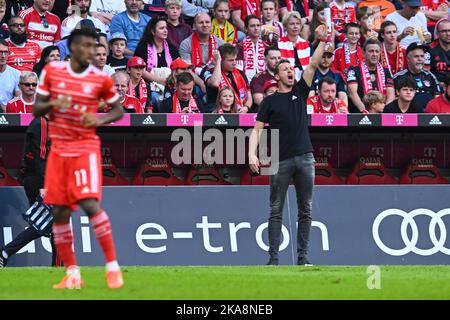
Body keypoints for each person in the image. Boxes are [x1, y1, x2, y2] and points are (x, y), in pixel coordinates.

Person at [33, 27, 124, 289]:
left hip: (85, 147)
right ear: (72, 47)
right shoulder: (52, 72)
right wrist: (53, 104)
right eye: (85, 45)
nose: (91, 51)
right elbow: (37, 109)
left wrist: (100, 118)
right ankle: (73, 274)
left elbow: (118, 110)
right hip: (59, 150)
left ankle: (112, 267)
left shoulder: (101, 79)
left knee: (88, 203)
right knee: (60, 212)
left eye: (94, 46)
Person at [248, 35, 331, 266]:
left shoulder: (300, 92)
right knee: (275, 210)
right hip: (279, 160)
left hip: (305, 157)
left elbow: (313, 64)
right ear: (277, 76)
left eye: (291, 68)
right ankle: (273, 260)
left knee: (306, 210)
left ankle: (303, 259)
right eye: (285, 69)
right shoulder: (269, 102)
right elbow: (256, 130)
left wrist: (322, 41)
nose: (290, 71)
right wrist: (251, 154)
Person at [0, 114, 61, 268]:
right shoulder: (42, 123)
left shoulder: (47, 123)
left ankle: (58, 268)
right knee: (46, 225)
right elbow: (40, 156)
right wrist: (43, 185)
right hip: (38, 181)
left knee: (51, 227)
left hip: (39, 179)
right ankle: (5, 253)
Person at [347, 39, 395, 113]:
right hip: (360, 115)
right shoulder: (354, 70)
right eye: (371, 51)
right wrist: (364, 111)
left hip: (381, 114)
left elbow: (391, 94)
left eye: (377, 51)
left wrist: (385, 111)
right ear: (363, 53)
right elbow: (352, 93)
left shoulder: (386, 71)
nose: (374, 54)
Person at [393, 42, 441, 112]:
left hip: (430, 116)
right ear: (408, 59)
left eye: (422, 56)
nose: (420, 59)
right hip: (408, 116)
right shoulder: (398, 77)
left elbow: (438, 98)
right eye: (416, 56)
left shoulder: (430, 76)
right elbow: (393, 100)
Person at [204, 43, 252, 112]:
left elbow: (249, 96)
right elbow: (215, 83)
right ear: (221, 60)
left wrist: (246, 107)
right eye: (231, 60)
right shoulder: (210, 72)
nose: (234, 63)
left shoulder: (240, 73)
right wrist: (218, 61)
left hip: (239, 109)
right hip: (217, 110)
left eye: (235, 59)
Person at [277, 11, 311, 81]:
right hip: (285, 79)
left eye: (298, 24)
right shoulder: (278, 43)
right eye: (292, 24)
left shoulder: (307, 44)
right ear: (285, 26)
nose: (295, 26)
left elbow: (312, 66)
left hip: (305, 79)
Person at [236, 15, 266, 82]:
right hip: (246, 83)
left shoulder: (266, 46)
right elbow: (239, 71)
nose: (256, 28)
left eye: (258, 25)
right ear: (246, 28)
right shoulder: (239, 47)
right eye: (252, 26)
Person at [0, 39, 20, 111]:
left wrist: (6, 110)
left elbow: (18, 99)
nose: (3, 56)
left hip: (9, 114)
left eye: (6, 52)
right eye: (0, 52)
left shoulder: (16, 74)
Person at [429, 18, 450, 86]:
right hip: (435, 85)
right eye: (444, 31)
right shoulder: (429, 49)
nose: (448, 34)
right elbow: (426, 73)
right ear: (437, 33)